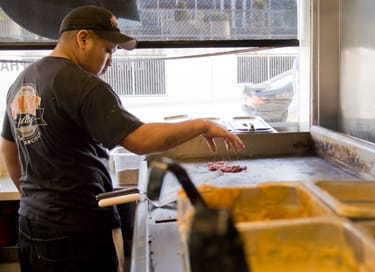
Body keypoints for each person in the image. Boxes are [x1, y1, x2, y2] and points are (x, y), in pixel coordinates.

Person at [1, 5, 245, 272]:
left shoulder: (22, 82)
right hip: (78, 233)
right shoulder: (84, 85)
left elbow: (9, 149)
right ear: (83, 39)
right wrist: (201, 125)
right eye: (108, 50)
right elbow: (140, 140)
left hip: (31, 225)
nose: (110, 63)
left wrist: (34, 198)